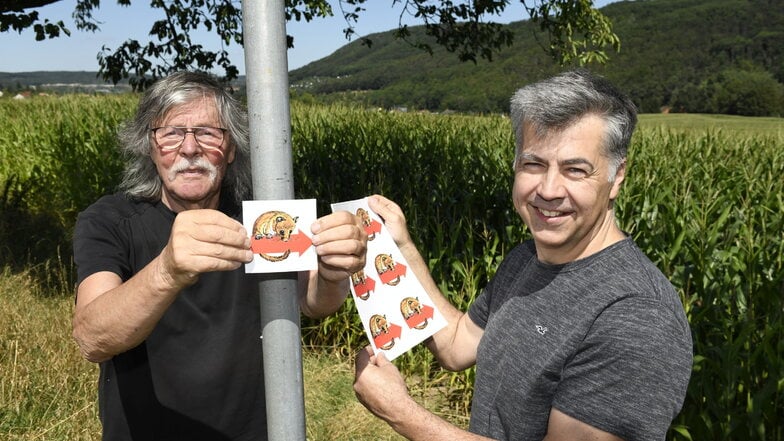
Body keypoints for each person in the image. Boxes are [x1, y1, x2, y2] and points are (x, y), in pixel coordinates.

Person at [353, 69, 693, 441]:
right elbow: (455, 344)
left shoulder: (636, 315)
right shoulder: (526, 259)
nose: (548, 189)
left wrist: (400, 411)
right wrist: (401, 246)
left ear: (618, 176)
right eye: (534, 164)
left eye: (575, 169)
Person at [72, 71, 367, 440]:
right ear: (149, 147)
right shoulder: (110, 220)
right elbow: (92, 337)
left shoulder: (262, 220)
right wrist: (167, 270)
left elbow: (313, 302)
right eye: (172, 133)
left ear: (230, 150)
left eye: (209, 133)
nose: (190, 148)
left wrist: (333, 272)